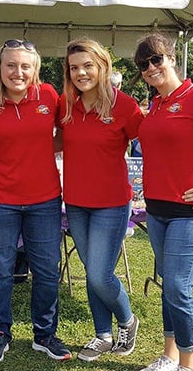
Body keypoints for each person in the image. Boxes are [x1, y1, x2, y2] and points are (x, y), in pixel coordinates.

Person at [0, 39, 71, 364]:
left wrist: (45, 145)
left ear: (35, 69)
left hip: (44, 200)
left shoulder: (50, 96)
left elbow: (67, 132)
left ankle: (45, 335)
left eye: (25, 66)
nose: (18, 72)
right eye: (11, 65)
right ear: (0, 66)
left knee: (46, 269)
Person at [134, 32, 193, 371]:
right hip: (158, 211)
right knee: (167, 285)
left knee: (176, 287)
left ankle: (189, 364)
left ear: (171, 58)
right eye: (144, 64)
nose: (151, 67)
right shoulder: (156, 105)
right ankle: (169, 356)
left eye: (156, 59)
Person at [56, 37, 143, 362]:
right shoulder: (66, 106)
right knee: (91, 269)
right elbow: (48, 141)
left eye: (87, 66)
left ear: (103, 66)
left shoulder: (125, 106)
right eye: (74, 68)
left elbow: (155, 142)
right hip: (76, 202)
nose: (81, 73)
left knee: (98, 274)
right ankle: (102, 335)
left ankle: (127, 320)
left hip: (112, 203)